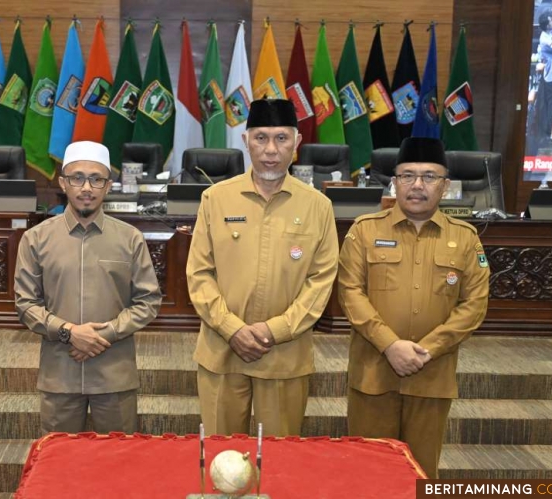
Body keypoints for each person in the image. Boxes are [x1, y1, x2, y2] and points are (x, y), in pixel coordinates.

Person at [337, 137, 490, 478]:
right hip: (373, 374)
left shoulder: (465, 238)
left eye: (429, 176)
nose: (417, 185)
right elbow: (350, 293)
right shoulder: (364, 231)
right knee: (368, 471)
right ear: (395, 181)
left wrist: (427, 350)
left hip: (431, 376)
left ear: (445, 185)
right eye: (407, 175)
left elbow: (474, 304)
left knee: (421, 473)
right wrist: (390, 346)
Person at [186, 99, 339, 437]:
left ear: (297, 143)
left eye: (282, 138)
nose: (271, 149)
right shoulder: (215, 199)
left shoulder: (318, 206)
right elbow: (199, 274)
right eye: (261, 138)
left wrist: (275, 331)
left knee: (279, 459)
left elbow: (321, 282)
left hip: (285, 353)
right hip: (222, 350)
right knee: (220, 456)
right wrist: (232, 329)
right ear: (245, 141)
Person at [14, 141, 161, 434]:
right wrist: (70, 333)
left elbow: (148, 302)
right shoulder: (35, 239)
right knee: (59, 466)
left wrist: (101, 335)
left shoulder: (130, 238)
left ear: (108, 186)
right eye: (77, 178)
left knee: (117, 465)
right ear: (63, 183)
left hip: (114, 375)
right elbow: (25, 305)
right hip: (60, 376)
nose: (86, 187)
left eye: (96, 179)